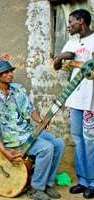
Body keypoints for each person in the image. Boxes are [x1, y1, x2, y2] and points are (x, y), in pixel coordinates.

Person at [0, 60, 65, 200]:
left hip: (27, 131)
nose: (10, 74)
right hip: (12, 138)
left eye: (11, 71)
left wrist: (40, 121)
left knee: (59, 144)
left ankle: (48, 183)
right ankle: (36, 188)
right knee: (46, 148)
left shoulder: (18, 89)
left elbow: (30, 109)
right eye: (6, 72)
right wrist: (4, 150)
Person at [53, 9, 94, 199]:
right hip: (75, 98)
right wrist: (61, 57)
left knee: (90, 140)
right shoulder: (71, 42)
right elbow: (56, 66)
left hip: (91, 100)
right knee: (78, 139)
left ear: (82, 22)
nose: (68, 26)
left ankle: (93, 183)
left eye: (71, 22)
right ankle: (83, 181)